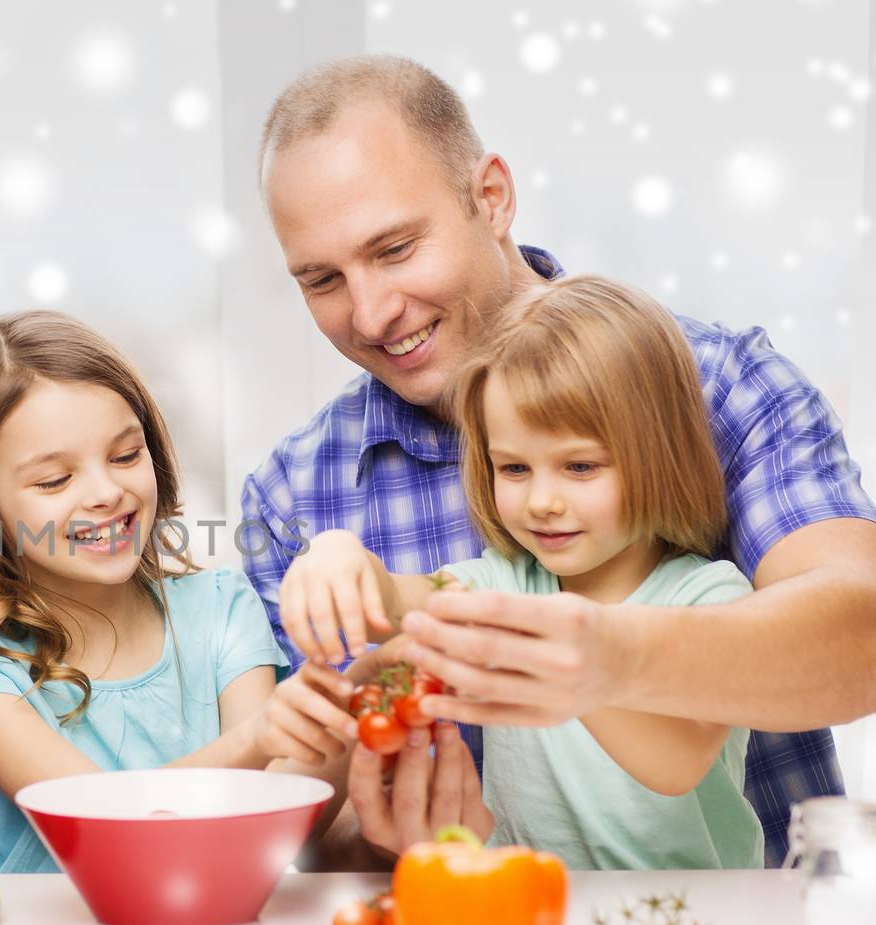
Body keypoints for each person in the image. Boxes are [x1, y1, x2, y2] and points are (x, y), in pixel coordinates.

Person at [242, 55, 876, 867]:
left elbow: (860, 640)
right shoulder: (294, 492)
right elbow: (292, 830)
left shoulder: (716, 384)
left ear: (492, 197)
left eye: (396, 248)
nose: (371, 313)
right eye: (322, 279)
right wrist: (380, 842)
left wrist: (611, 657)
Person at [283, 275, 762, 868]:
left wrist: (561, 651)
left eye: (580, 466)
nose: (541, 501)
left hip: (682, 921)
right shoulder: (505, 583)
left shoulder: (710, 597)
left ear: (661, 453)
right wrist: (335, 554)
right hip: (530, 910)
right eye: (513, 469)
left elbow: (677, 762)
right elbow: (395, 601)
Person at [0, 310, 356, 873]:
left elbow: (274, 823)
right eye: (54, 480)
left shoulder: (222, 608)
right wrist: (262, 738)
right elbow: (99, 824)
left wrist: (346, 710)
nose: (106, 492)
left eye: (125, 456)